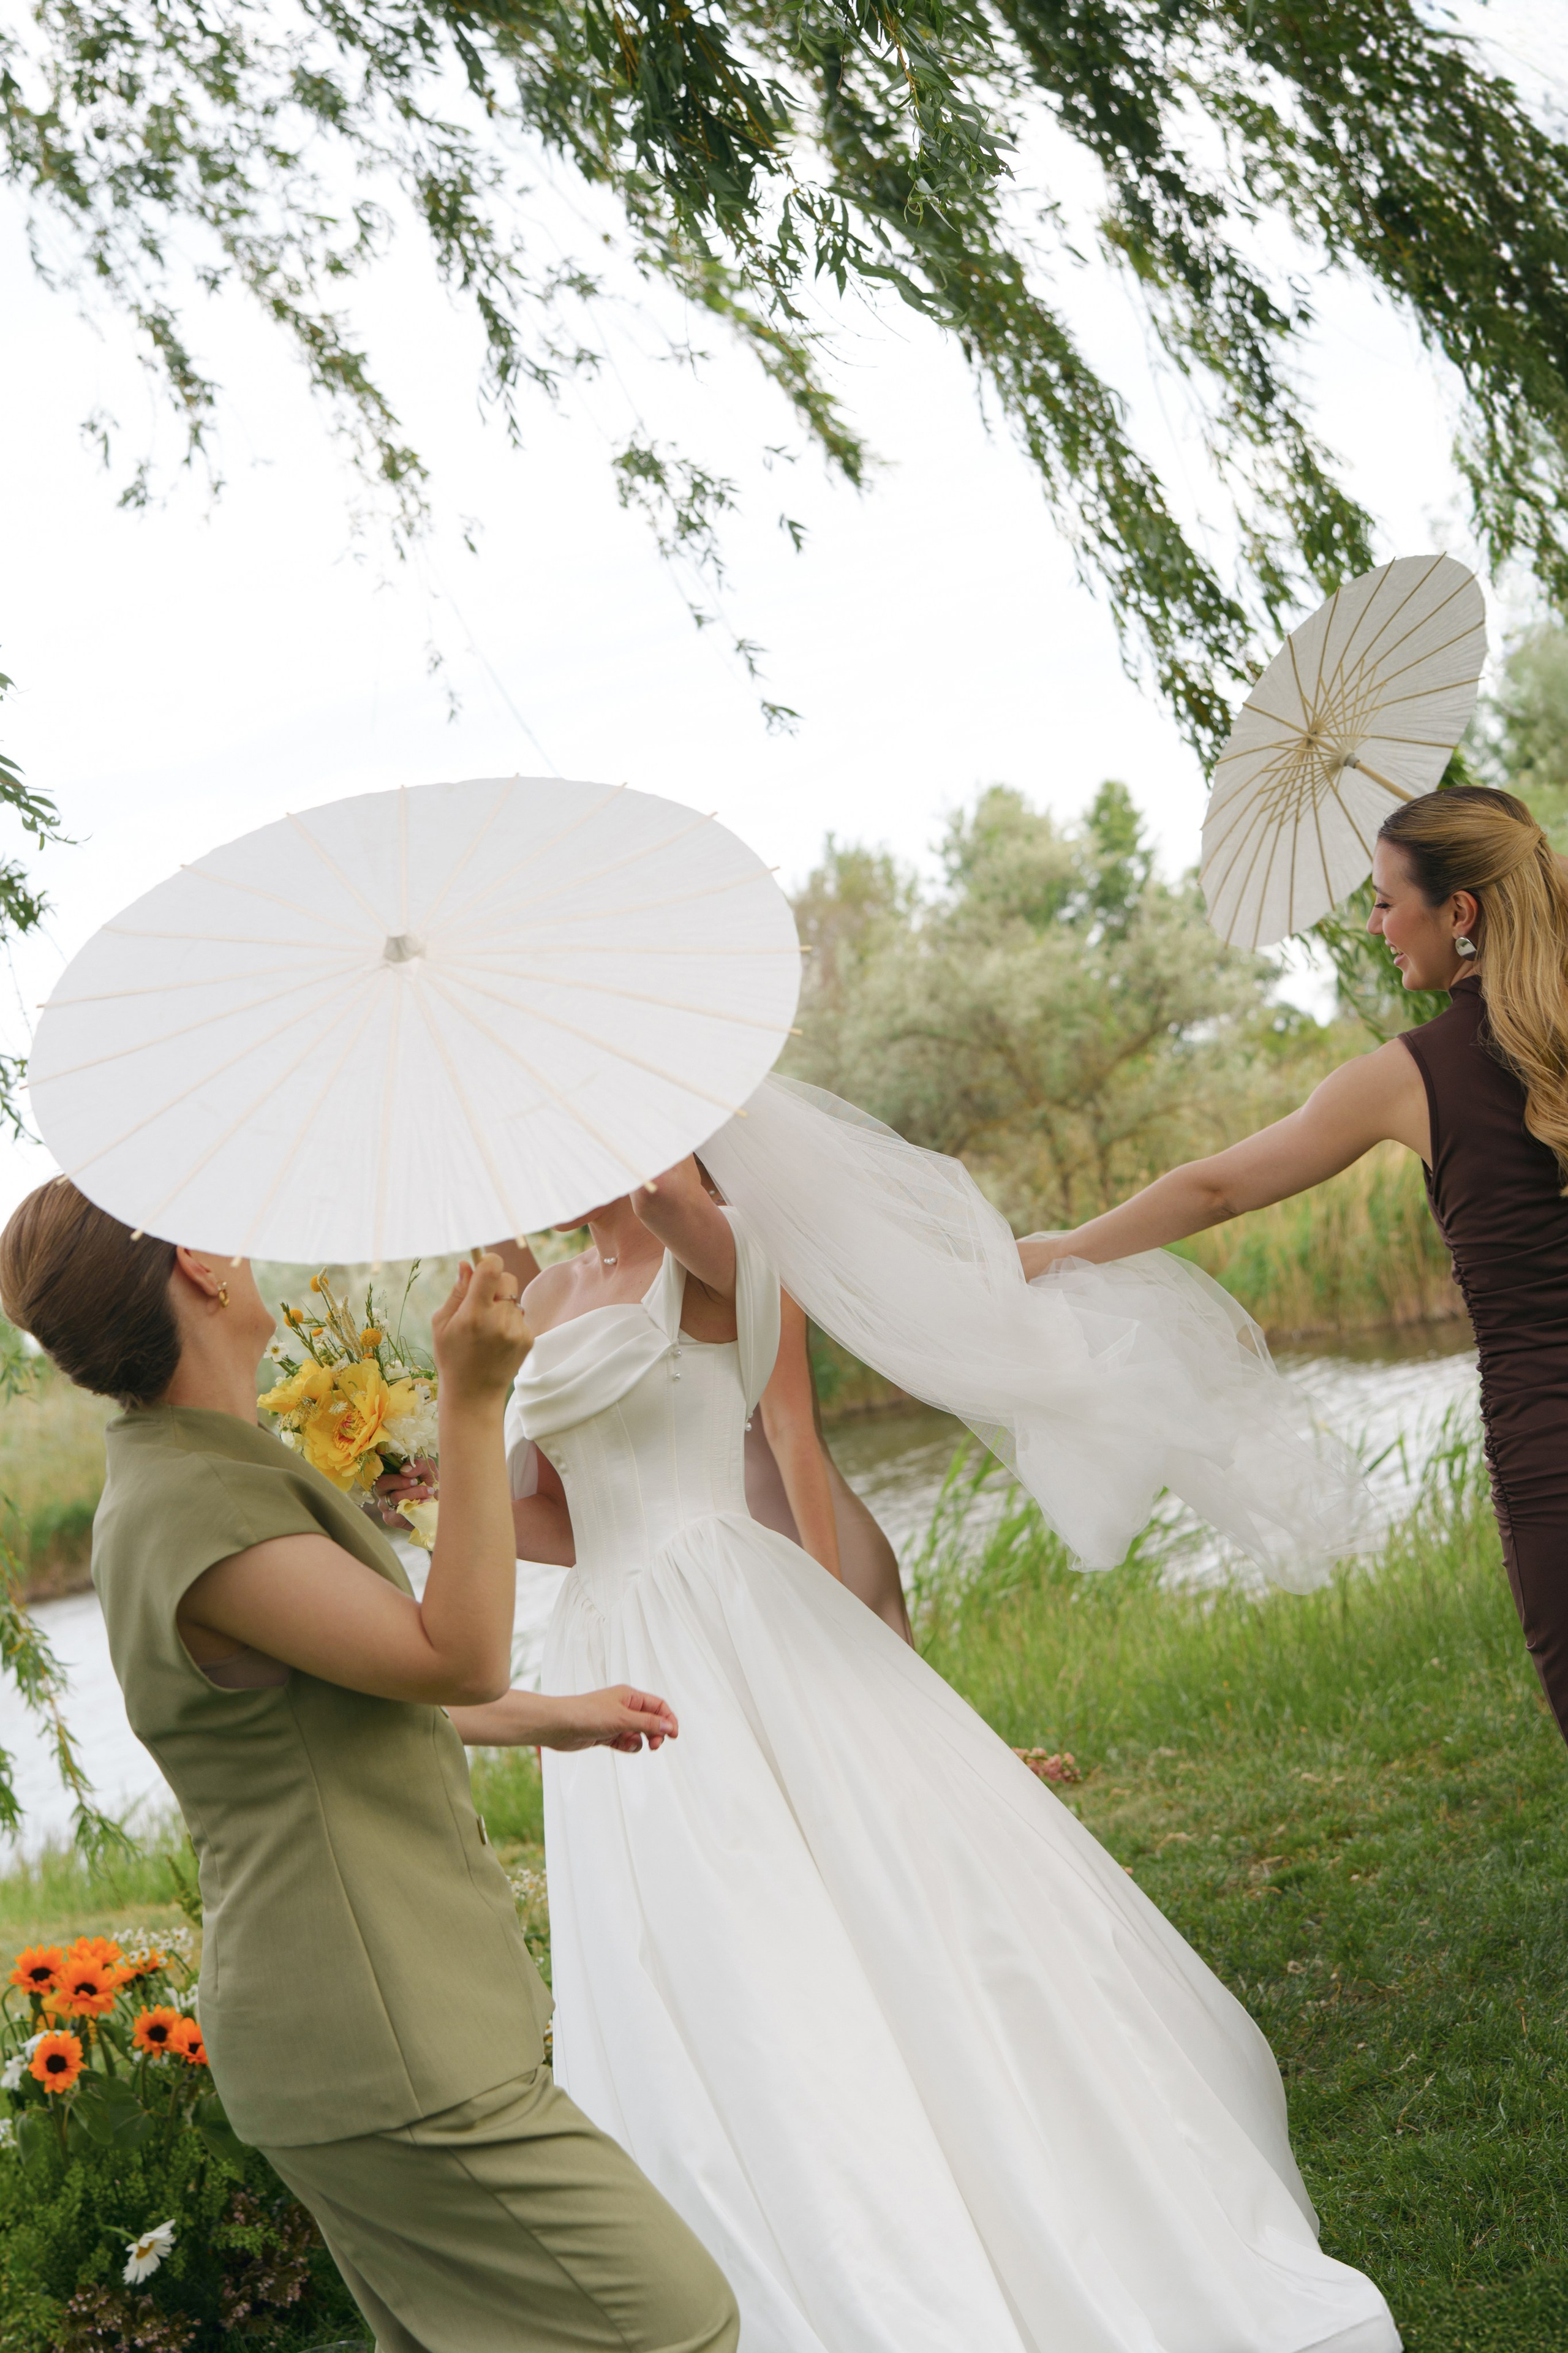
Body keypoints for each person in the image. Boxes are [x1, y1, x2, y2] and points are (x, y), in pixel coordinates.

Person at [488, 1158, 1400, 2353]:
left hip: (729, 1611)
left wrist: (836, 1632)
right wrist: (443, 1466)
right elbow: (540, 1517)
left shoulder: (721, 1248)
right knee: (673, 1938)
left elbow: (785, 1432)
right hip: (601, 1637)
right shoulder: (540, 1296)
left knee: (815, 1903)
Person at [0, 1181, 739, 2353]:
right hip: (385, 2037)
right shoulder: (201, 1507)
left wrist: (549, 1715)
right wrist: (472, 1402)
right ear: (198, 1264)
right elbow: (455, 1652)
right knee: (678, 2322)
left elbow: (332, 1708)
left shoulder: (187, 1474)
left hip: (350, 2035)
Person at [1020, 784, 1568, 1751]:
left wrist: (1062, 1249)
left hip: (1549, 1445)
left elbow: (1217, 1192)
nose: (1375, 923)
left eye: (1386, 897)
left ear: (1461, 913)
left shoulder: (1414, 1075)